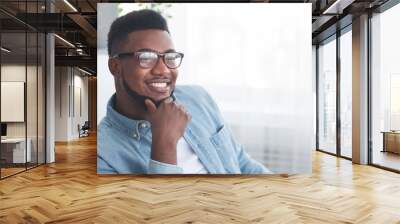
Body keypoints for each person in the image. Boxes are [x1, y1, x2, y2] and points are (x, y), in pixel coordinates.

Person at [97, 9, 272, 174]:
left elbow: (241, 162)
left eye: (170, 57)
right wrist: (164, 142)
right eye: (146, 58)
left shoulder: (198, 97)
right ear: (115, 66)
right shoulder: (102, 153)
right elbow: (159, 206)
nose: (163, 70)